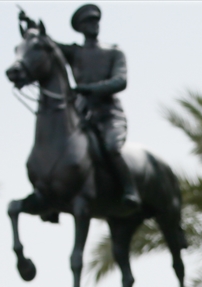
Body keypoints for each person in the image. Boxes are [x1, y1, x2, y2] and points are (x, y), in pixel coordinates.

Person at [52, 4, 140, 210]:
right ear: (80, 27)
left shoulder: (114, 52)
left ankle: (130, 189)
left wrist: (88, 89)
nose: (93, 25)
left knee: (111, 147)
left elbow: (120, 81)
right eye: (88, 22)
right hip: (82, 115)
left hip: (109, 114)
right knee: (62, 149)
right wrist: (33, 29)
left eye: (95, 21)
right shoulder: (75, 53)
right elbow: (49, 46)